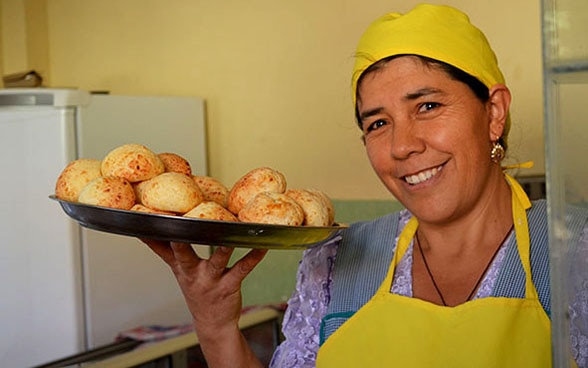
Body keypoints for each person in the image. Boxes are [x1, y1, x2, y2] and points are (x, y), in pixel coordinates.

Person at [142, 4, 588, 367]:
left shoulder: (577, 255)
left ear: (493, 113)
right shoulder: (335, 262)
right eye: (377, 123)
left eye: (428, 105)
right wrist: (216, 325)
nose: (402, 145)